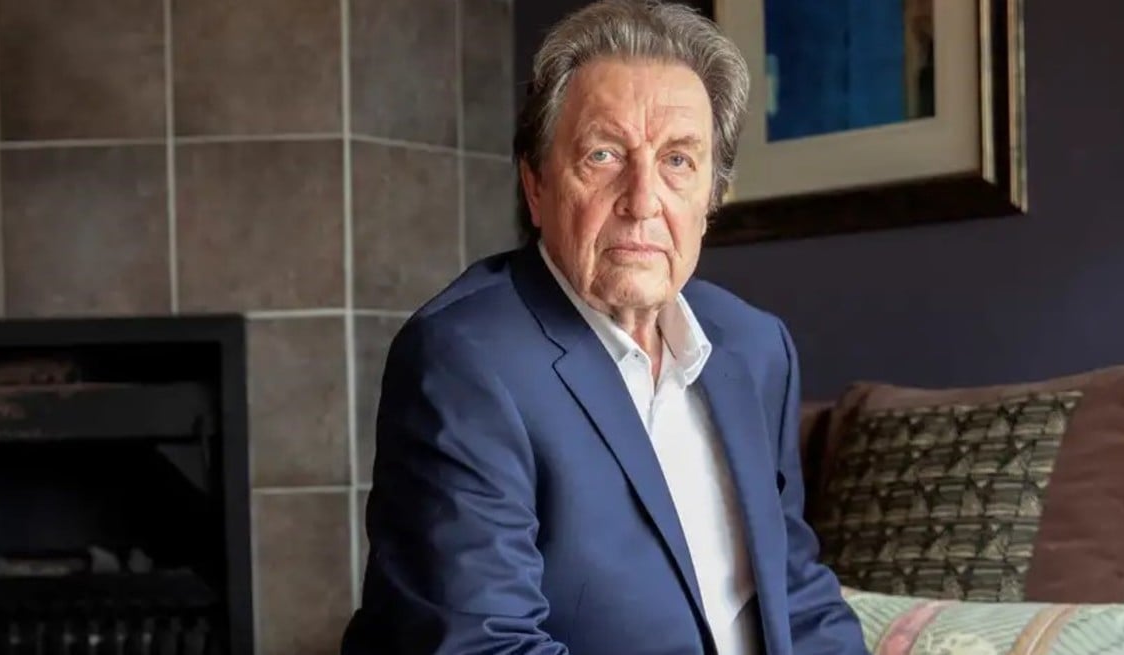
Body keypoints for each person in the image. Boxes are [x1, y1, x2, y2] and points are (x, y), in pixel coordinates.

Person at [340, 1, 868, 653]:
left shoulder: (755, 347)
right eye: (603, 154)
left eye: (678, 161)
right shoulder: (463, 361)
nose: (642, 200)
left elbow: (797, 594)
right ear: (536, 186)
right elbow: (482, 644)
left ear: (712, 196)